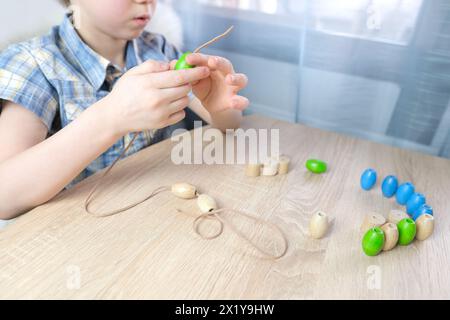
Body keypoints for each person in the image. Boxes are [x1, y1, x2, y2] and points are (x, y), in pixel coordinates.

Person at [0, 0, 249, 220]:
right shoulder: (33, 64)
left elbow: (229, 126)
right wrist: (110, 118)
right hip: (79, 237)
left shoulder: (158, 49)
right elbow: (5, 196)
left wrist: (220, 108)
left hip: (154, 217)